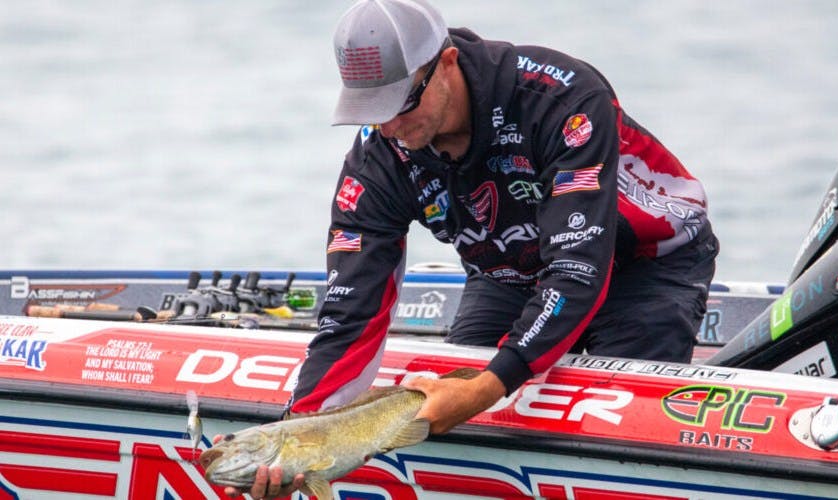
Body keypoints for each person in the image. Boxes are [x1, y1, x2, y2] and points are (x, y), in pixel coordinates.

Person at [221, 0, 718, 497]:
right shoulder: (379, 160)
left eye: (399, 103)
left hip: (645, 262)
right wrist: (297, 439)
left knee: (613, 433)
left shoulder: (560, 99)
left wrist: (488, 385)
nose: (388, 126)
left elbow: (576, 269)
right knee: (445, 419)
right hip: (509, 271)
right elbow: (351, 312)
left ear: (447, 64)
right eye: (371, 111)